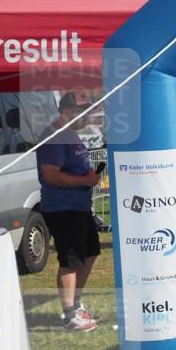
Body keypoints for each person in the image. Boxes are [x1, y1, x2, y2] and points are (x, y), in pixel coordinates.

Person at [35, 92, 103, 331]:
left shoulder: (70, 134)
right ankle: (70, 315)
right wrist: (84, 180)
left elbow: (72, 168)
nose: (87, 117)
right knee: (71, 260)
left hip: (79, 206)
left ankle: (76, 304)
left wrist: (88, 176)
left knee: (91, 252)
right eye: (83, 112)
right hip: (62, 208)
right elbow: (51, 176)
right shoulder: (54, 136)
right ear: (67, 110)